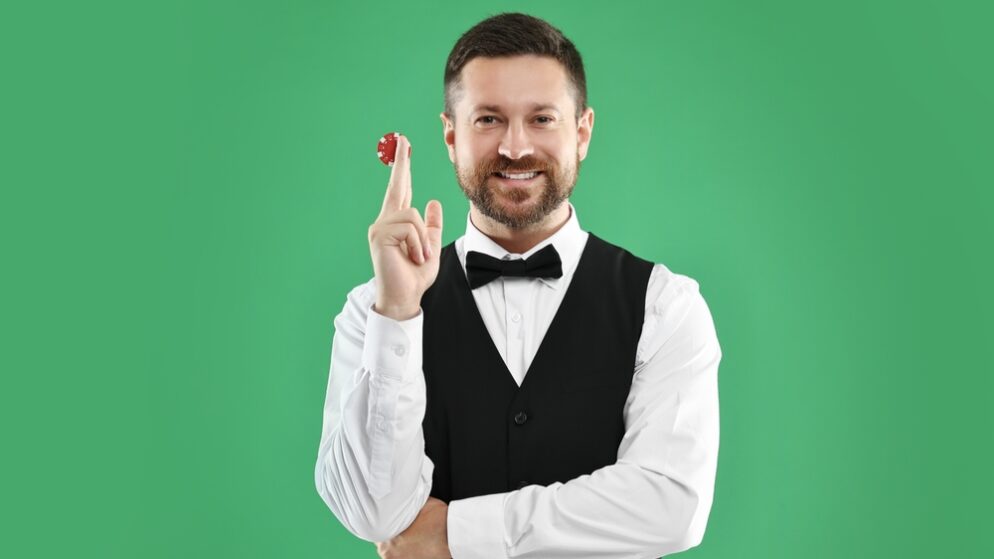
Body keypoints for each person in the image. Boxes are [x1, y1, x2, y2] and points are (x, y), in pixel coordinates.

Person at [315, 12, 722, 559]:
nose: (514, 147)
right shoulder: (374, 311)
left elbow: (670, 507)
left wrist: (457, 533)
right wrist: (399, 314)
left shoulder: (664, 305)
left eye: (542, 119)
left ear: (582, 132)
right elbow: (372, 513)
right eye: (488, 119)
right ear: (451, 135)